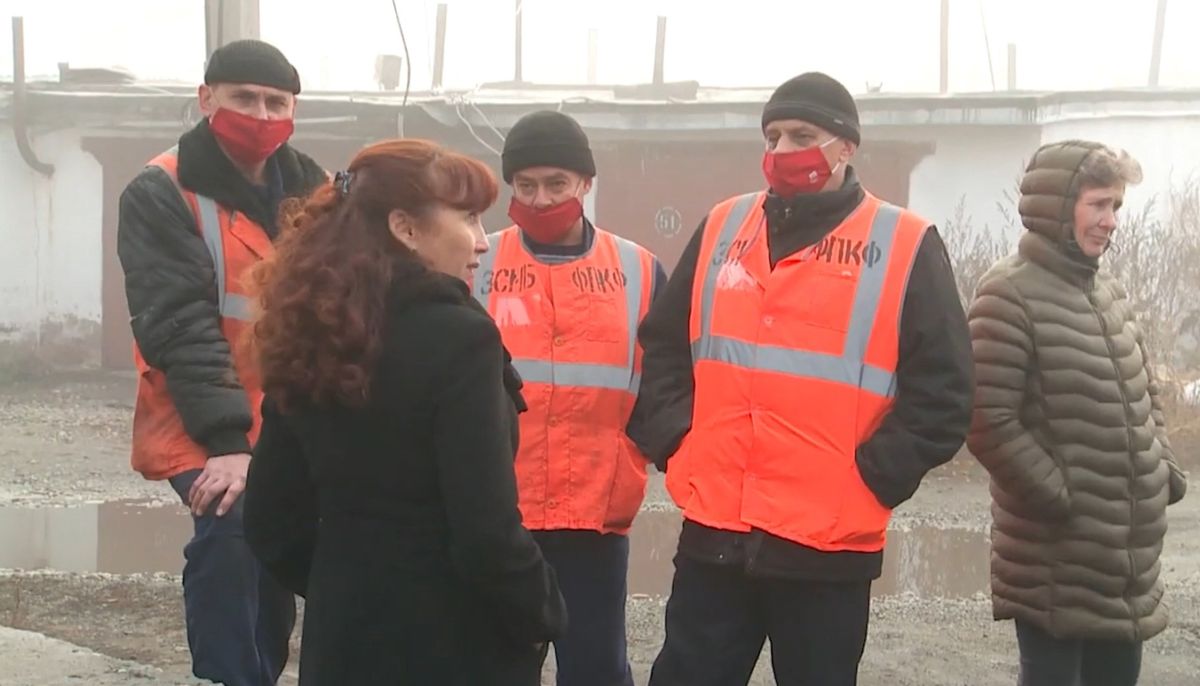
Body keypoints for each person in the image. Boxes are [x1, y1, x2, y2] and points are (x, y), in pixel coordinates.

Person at [631, 72, 974, 685]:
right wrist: (678, 442)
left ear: (846, 147)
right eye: (774, 136)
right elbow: (661, 346)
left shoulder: (904, 243)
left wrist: (875, 475)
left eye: (803, 135)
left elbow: (944, 390)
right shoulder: (721, 228)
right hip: (717, 533)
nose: (784, 151)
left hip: (828, 547)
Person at [241, 139, 567, 685]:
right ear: (406, 228)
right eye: (467, 218)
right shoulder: (460, 338)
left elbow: (270, 518)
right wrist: (543, 611)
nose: (483, 243)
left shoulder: (310, 331)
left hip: (342, 644)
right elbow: (486, 533)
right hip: (457, 647)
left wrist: (343, 584)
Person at [116, 39, 326, 686]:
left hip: (289, 417)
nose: (261, 114)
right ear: (207, 99)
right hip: (198, 420)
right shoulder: (160, 192)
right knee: (234, 532)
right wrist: (229, 444)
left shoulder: (314, 192)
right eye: (244, 98)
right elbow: (180, 324)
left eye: (276, 102)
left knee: (285, 559)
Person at [967, 140, 1188, 686]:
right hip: (1055, 559)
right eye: (1099, 204)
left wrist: (1163, 470)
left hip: (1125, 559)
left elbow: (1144, 393)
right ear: (1056, 205)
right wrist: (1059, 496)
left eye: (1117, 206)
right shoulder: (1007, 293)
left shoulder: (1109, 291)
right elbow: (986, 419)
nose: (1112, 221)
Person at [470, 109, 666, 686]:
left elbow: (668, 377)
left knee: (597, 669)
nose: (540, 197)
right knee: (496, 665)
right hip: (500, 510)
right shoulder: (476, 262)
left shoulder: (639, 270)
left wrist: (638, 454)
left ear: (585, 183)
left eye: (557, 183)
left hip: (595, 515)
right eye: (525, 185)